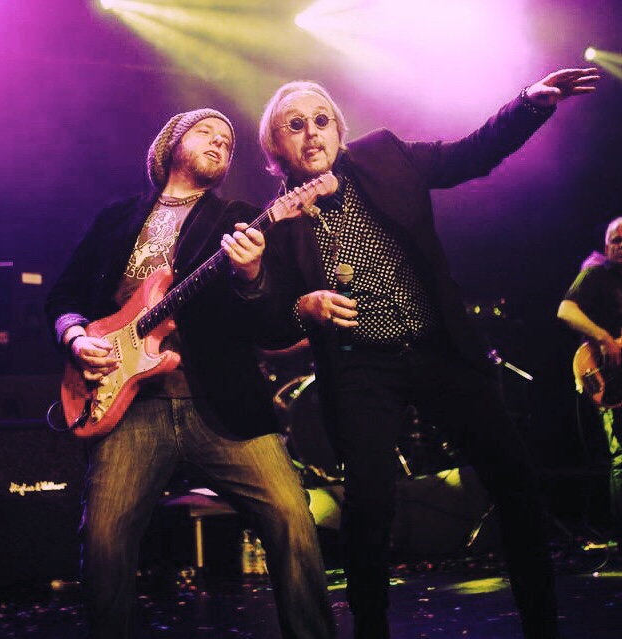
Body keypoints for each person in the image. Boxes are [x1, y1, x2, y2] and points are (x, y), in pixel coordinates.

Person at [252, 68, 599, 639]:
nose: (311, 133)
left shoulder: (384, 156)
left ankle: (542, 626)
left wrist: (530, 105)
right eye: (295, 125)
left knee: (514, 478)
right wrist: (302, 307)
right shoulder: (274, 224)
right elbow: (265, 322)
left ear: (338, 130)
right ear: (276, 147)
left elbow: (470, 155)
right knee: (368, 505)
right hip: (362, 367)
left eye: (321, 121)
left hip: (438, 347)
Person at [44, 108, 335, 639]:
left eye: (228, 141)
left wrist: (251, 275)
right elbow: (63, 296)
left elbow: (271, 324)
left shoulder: (240, 218)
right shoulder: (116, 219)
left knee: (292, 518)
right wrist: (77, 337)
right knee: (103, 541)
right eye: (206, 132)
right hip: (130, 406)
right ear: (172, 143)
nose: (220, 142)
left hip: (221, 403)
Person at [558, 216, 622, 542]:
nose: (621, 245)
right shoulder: (596, 275)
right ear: (606, 245)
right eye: (616, 240)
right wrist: (604, 338)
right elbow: (566, 311)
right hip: (611, 380)